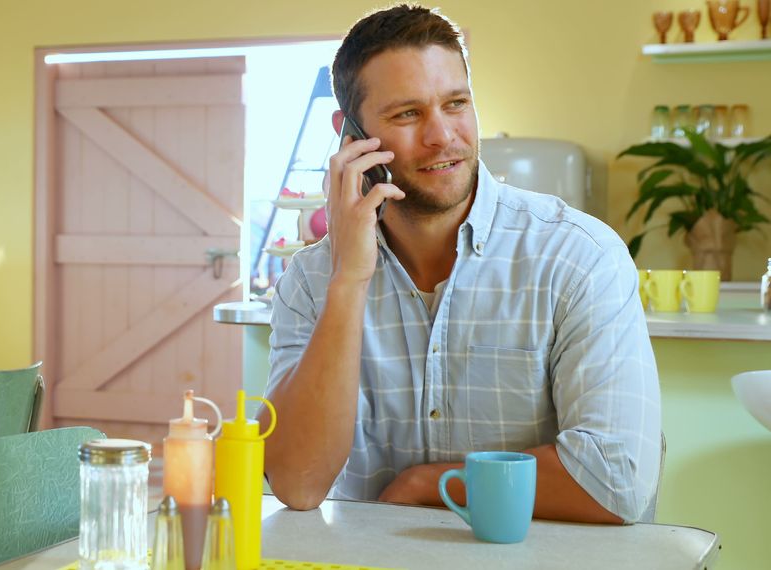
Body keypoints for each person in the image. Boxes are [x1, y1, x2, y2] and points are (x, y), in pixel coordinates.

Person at [259, 4, 661, 524]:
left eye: (455, 103)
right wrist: (348, 279)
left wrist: (430, 484)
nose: (442, 135)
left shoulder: (579, 259)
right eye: (408, 114)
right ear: (350, 135)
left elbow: (615, 478)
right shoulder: (311, 283)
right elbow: (297, 482)